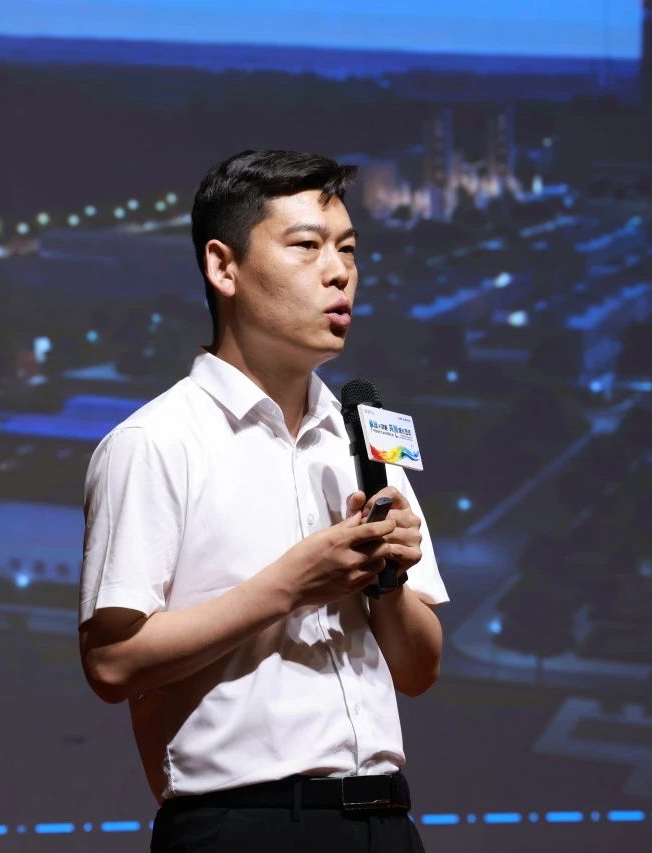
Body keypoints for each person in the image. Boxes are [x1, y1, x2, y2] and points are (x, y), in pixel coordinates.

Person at [79, 149, 448, 852]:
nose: (339, 272)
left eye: (348, 249)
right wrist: (292, 585)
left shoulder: (366, 440)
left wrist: (390, 582)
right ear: (224, 268)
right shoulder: (155, 442)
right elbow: (112, 663)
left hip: (386, 819)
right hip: (242, 826)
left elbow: (418, 670)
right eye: (307, 246)